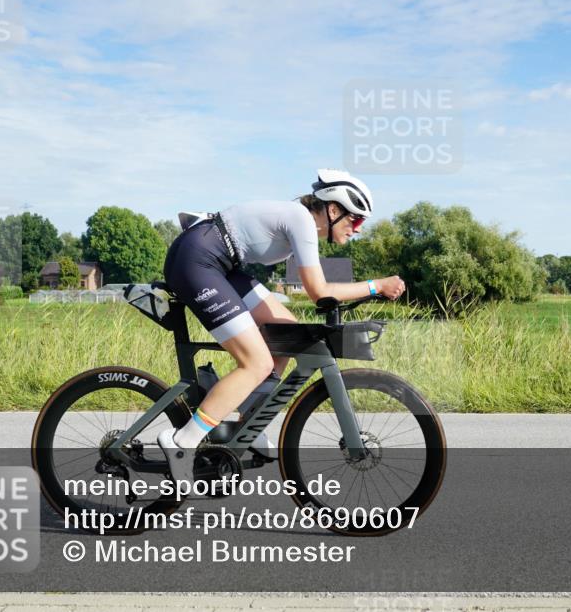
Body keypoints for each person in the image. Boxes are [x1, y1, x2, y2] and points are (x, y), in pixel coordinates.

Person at [157, 169, 405, 483]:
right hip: (198, 259)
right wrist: (376, 286)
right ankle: (183, 441)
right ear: (332, 209)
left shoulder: (301, 222)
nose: (357, 230)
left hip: (219, 261)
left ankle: (244, 423)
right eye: (355, 220)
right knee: (256, 362)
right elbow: (320, 292)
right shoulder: (301, 219)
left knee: (288, 332)